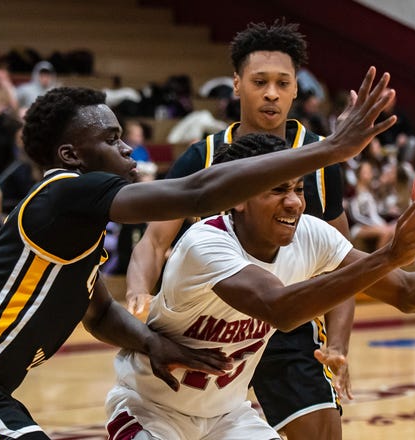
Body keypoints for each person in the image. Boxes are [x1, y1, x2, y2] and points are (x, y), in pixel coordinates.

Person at [0, 73, 396, 438]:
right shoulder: (65, 191)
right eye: (112, 140)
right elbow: (197, 193)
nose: (128, 150)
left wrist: (153, 343)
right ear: (72, 156)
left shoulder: (72, 231)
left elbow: (98, 312)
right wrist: (329, 149)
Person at [105, 133, 415, 440]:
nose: (294, 203)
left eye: (299, 189)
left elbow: (409, 294)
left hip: (227, 418)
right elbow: (279, 308)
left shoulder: (311, 235)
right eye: (276, 190)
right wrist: (388, 255)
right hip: (152, 412)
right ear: (236, 199)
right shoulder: (204, 243)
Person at [125, 21, 355, 439]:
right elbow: (155, 240)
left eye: (282, 83)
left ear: (295, 90)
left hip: (287, 322)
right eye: (259, 82)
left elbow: (342, 270)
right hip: (209, 328)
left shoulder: (321, 161)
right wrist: (139, 291)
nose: (271, 93)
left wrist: (337, 345)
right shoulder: (203, 157)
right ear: (236, 84)